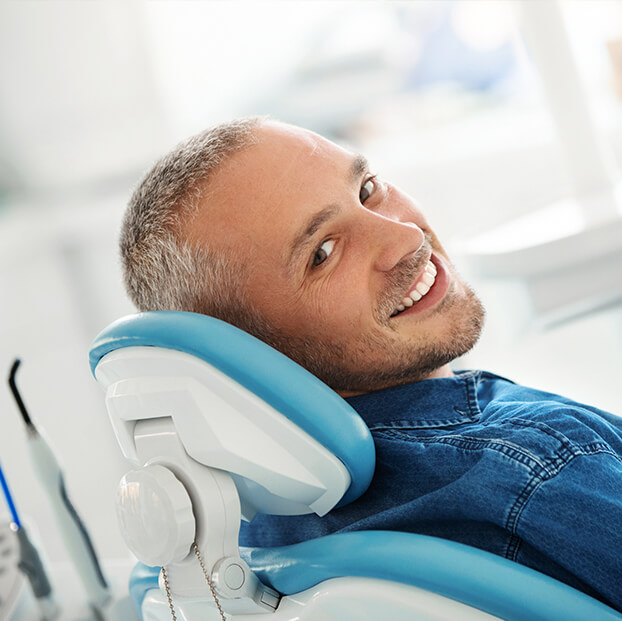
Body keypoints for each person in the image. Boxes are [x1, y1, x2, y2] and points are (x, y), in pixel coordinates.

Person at [120, 117, 622, 612]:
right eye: (323, 253)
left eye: (367, 189)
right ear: (252, 353)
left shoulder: (225, 548)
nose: (403, 236)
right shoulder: (543, 463)